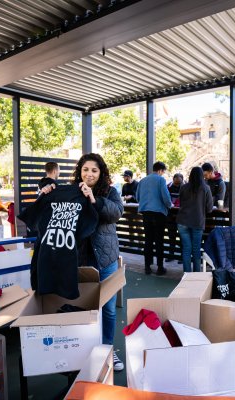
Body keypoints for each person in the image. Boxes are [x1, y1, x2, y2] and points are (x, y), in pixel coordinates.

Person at [70, 153, 124, 371]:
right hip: (80, 259)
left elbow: (117, 212)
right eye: (85, 169)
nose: (89, 174)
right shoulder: (72, 192)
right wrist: (46, 192)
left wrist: (95, 199)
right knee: (84, 308)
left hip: (106, 258)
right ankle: (86, 349)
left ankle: (108, 349)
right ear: (79, 171)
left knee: (109, 309)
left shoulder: (110, 192)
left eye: (94, 170)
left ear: (101, 172)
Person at [136, 161, 172, 275]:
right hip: (158, 214)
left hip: (146, 213)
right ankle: (160, 268)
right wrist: (170, 205)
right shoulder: (161, 180)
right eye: (163, 172)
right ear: (161, 170)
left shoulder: (142, 180)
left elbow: (137, 197)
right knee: (159, 241)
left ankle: (147, 267)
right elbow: (166, 197)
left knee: (148, 240)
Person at [176, 167, 213, 272]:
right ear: (202, 175)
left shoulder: (183, 187)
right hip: (197, 221)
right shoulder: (206, 188)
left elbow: (181, 203)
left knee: (186, 249)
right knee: (196, 249)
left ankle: (186, 274)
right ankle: (196, 274)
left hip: (182, 220)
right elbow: (209, 208)